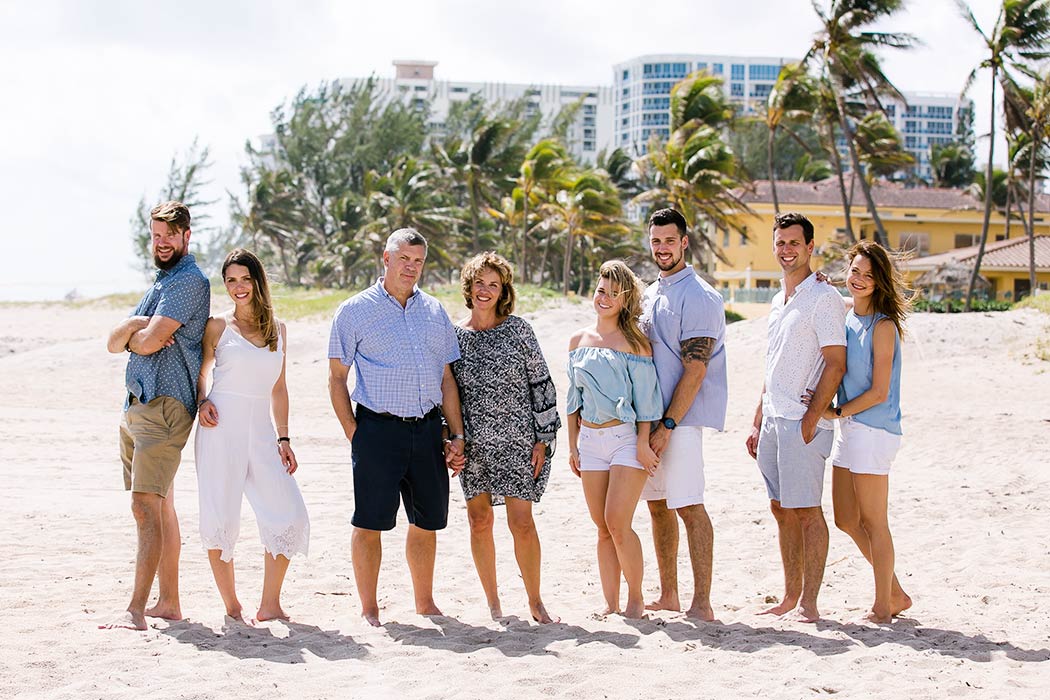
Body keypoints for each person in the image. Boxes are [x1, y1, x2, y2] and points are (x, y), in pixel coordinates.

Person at [328, 228, 467, 627]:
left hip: (427, 431)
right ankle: (369, 608)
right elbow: (337, 378)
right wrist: (356, 434)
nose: (411, 267)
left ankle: (425, 603)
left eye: (418, 261)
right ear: (385, 259)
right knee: (370, 522)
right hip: (376, 430)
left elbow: (446, 379)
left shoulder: (435, 311)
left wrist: (456, 435)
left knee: (426, 522)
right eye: (404, 259)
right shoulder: (354, 310)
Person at [102, 201, 210, 631]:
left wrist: (136, 335)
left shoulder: (188, 281)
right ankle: (169, 603)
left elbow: (146, 343)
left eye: (170, 236)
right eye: (156, 236)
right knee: (159, 507)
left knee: (145, 506)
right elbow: (116, 342)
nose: (162, 243)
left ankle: (134, 611)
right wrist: (135, 327)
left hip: (164, 406)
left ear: (187, 236)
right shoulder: (162, 280)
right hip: (136, 405)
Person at [194, 249, 310, 624]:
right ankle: (232, 606)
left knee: (288, 512)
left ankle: (270, 604)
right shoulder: (218, 327)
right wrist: (201, 403)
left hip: (262, 431)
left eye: (245, 279)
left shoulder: (279, 330)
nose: (238, 287)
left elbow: (279, 387)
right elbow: (199, 374)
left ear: (258, 281)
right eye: (230, 281)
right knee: (220, 516)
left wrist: (284, 438)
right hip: (220, 428)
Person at [803, 241, 913, 623]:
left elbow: (880, 391)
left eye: (868, 274)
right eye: (855, 271)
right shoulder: (848, 317)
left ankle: (884, 605)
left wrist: (835, 412)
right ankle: (895, 590)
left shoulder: (883, 326)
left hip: (875, 429)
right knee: (847, 519)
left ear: (879, 280)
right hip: (852, 427)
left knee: (874, 521)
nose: (860, 279)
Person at [744, 212, 846, 623]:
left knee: (807, 511)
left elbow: (835, 363)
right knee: (781, 508)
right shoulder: (776, 300)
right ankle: (789, 596)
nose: (786, 250)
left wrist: (812, 417)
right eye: (780, 242)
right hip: (772, 417)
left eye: (794, 243)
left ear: (810, 248)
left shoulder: (824, 298)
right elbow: (773, 365)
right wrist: (756, 419)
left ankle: (810, 603)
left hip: (802, 422)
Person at [451, 252, 562, 624]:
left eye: (493, 285)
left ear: (503, 292)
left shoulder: (519, 331)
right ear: (469, 286)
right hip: (475, 445)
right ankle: (494, 603)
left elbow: (543, 386)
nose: (485, 291)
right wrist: (451, 440)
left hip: (519, 441)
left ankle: (535, 601)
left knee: (522, 523)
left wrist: (544, 438)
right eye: (479, 283)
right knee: (478, 521)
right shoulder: (455, 337)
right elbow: (447, 396)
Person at [639, 208, 728, 622]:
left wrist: (670, 425)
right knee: (657, 506)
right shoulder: (651, 293)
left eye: (669, 240)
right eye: (656, 241)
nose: (662, 248)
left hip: (682, 421)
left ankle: (703, 602)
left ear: (684, 242)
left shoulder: (701, 296)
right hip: (650, 420)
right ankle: (669, 594)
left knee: (689, 506)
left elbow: (696, 368)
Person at [567, 260, 663, 619]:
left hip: (625, 439)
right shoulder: (578, 341)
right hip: (590, 443)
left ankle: (636, 599)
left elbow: (648, 403)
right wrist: (574, 445)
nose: (604, 298)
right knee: (602, 528)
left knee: (617, 523)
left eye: (613, 294)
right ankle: (610, 603)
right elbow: (573, 400)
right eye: (601, 290)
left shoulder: (635, 344)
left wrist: (642, 443)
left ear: (625, 301)